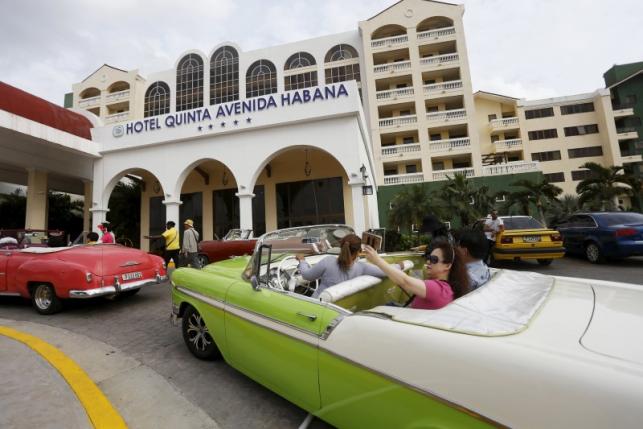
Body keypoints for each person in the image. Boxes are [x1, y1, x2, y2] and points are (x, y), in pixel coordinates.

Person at [364, 237, 469, 310]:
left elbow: (405, 281)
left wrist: (377, 260)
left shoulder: (438, 289)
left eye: (434, 259)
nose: (428, 262)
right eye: (428, 258)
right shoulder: (447, 288)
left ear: (447, 266)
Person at [296, 233, 403, 299]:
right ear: (358, 252)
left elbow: (306, 275)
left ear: (341, 247)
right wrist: (400, 265)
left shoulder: (328, 261)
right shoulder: (362, 267)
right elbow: (385, 271)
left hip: (317, 306)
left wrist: (302, 260)